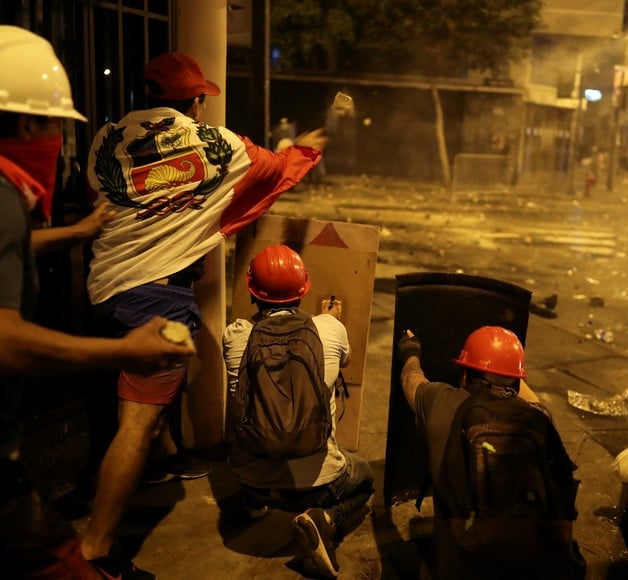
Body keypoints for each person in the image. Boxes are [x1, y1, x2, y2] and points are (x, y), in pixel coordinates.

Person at [80, 51, 328, 576]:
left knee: (158, 384)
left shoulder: (105, 140)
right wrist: (308, 148)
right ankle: (94, 553)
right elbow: (281, 168)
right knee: (136, 423)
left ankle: (166, 458)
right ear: (196, 99)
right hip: (156, 300)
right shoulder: (221, 144)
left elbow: (103, 200)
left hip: (103, 291)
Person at [0, 26, 196, 580]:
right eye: (57, 125)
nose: (60, 140)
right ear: (29, 121)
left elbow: (13, 247)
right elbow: (4, 340)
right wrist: (122, 352)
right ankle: (100, 549)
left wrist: (75, 231)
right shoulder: (4, 199)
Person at [222, 244, 374, 579]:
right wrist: (329, 322)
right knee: (364, 477)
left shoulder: (236, 335)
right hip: (318, 487)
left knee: (246, 451)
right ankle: (327, 520)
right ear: (303, 288)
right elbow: (344, 361)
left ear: (252, 290)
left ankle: (254, 502)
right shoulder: (329, 329)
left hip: (252, 480)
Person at [397, 326, 585, 579]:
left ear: (464, 375)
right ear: (517, 380)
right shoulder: (539, 419)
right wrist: (508, 366)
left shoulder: (439, 402)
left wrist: (411, 350)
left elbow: (412, 379)